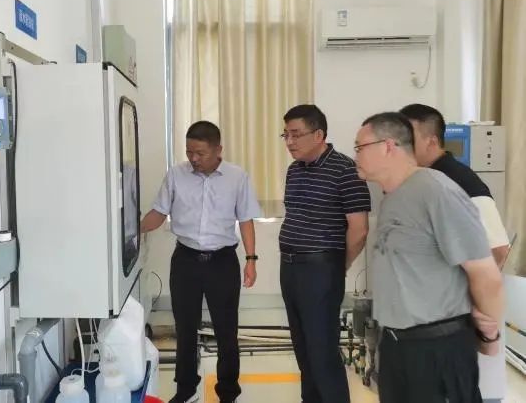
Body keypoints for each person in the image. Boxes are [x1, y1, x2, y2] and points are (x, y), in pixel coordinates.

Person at [354, 112, 505, 403]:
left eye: (360, 147)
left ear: (388, 146)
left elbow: (485, 273)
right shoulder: (393, 196)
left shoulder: (436, 190)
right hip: (398, 346)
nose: (356, 155)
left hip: (437, 349)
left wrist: (490, 338)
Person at [141, 121, 261, 403]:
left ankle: (228, 392)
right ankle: (185, 389)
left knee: (226, 330)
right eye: (189, 152)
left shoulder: (237, 177)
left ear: (218, 150)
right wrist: (132, 231)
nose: (193, 158)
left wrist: (251, 260)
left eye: (200, 153)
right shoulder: (176, 175)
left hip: (222, 262)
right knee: (184, 328)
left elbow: (246, 219)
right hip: (186, 261)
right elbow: (159, 213)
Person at [400, 103, 511, 403]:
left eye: (408, 137)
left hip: (454, 319)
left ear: (431, 140)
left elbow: (497, 248)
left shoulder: (461, 181)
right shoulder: (420, 180)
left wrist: (471, 301)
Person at [279, 104, 370, 403]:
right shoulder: (294, 170)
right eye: (286, 135)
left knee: (322, 351)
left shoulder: (345, 170)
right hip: (290, 267)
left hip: (321, 268)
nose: (289, 141)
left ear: (318, 135)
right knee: (303, 348)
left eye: (296, 134)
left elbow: (359, 229)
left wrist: (337, 266)